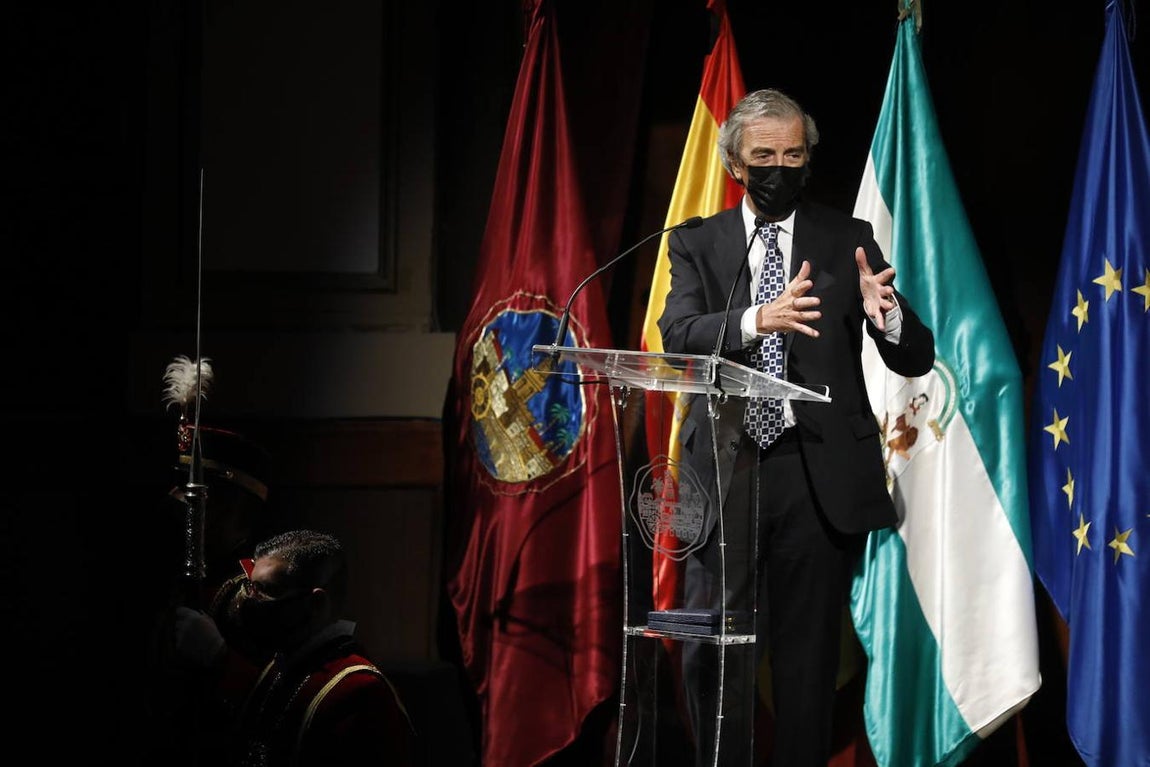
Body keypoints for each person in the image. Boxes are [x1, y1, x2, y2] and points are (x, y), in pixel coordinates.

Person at [656, 88, 935, 766]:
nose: (779, 167)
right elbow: (677, 336)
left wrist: (886, 314)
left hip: (815, 476)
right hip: (727, 471)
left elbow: (915, 353)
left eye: (793, 154)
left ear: (808, 159)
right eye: (764, 156)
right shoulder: (698, 242)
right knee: (711, 648)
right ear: (735, 163)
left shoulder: (848, 240)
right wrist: (758, 319)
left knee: (807, 666)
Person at [171, 529, 418, 767]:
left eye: (266, 591)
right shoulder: (283, 665)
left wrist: (219, 658)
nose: (248, 602)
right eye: (250, 587)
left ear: (316, 603)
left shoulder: (361, 692)